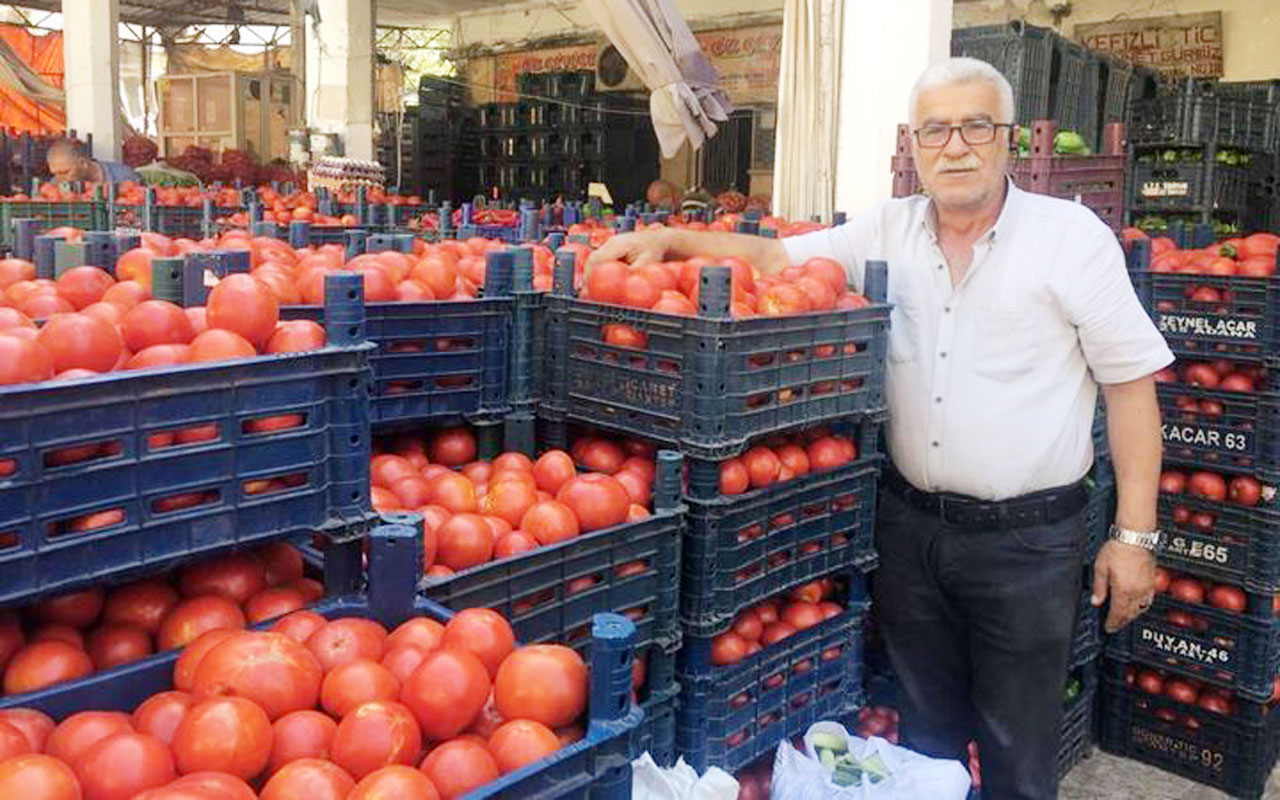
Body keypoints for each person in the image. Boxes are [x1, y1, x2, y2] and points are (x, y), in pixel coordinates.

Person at [587, 57, 1172, 800]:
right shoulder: (885, 229)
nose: (955, 146)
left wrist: (1134, 538)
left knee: (1019, 756)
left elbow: (1130, 388)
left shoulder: (1072, 239)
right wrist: (672, 239)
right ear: (914, 143)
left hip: (1028, 544)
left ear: (1010, 140)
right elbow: (773, 257)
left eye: (976, 126)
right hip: (911, 530)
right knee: (921, 748)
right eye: (936, 130)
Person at [46, 138, 140, 185]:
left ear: (83, 163)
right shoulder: (54, 184)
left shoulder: (123, 176)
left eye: (65, 172)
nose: (60, 179)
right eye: (56, 173)